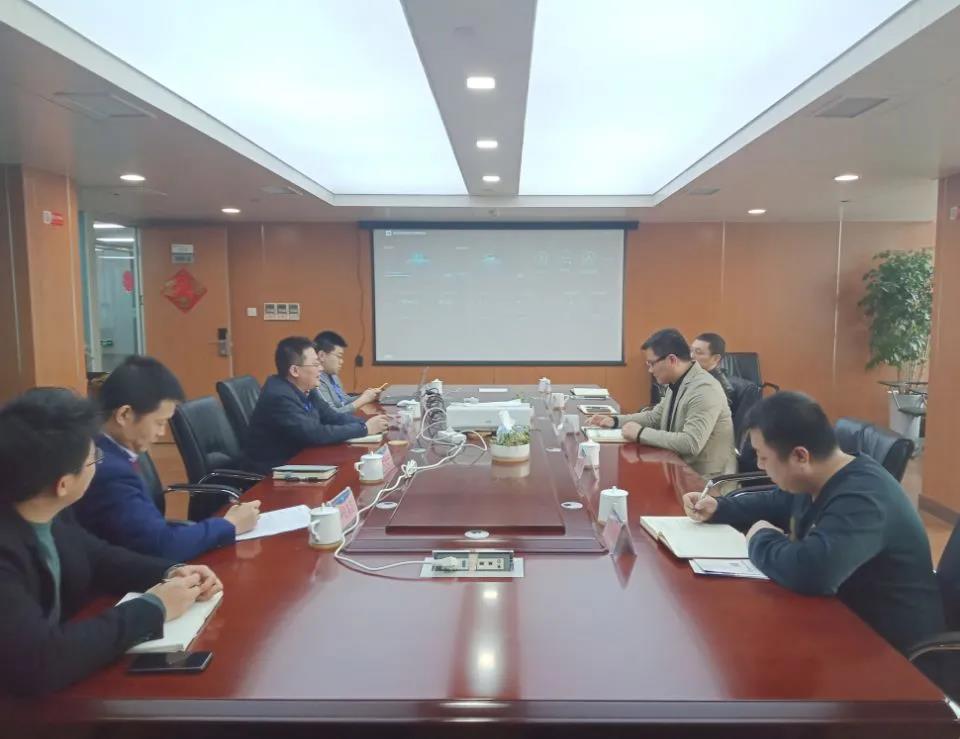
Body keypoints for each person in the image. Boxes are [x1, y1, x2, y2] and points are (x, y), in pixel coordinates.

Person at [682, 391, 944, 655]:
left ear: (800, 456)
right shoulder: (819, 475)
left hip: (892, 652)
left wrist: (760, 537)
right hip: (842, 619)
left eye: (763, 457)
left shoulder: (864, 498)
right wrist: (719, 507)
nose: (760, 466)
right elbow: (776, 501)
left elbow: (811, 573)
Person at [0, 387, 223, 696]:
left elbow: (98, 557)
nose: (99, 463)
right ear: (63, 484)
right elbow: (41, 662)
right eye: (94, 459)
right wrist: (154, 608)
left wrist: (171, 572)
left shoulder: (48, 510)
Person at [73, 356, 261, 561]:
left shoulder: (108, 447)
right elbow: (162, 546)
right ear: (124, 414)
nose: (162, 433)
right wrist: (230, 524)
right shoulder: (107, 470)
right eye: (159, 423)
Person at [586, 328, 735, 479]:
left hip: (705, 481)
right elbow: (654, 417)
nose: (650, 370)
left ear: (672, 360)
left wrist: (640, 433)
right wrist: (615, 421)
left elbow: (691, 443)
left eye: (652, 363)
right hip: (677, 469)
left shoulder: (704, 389)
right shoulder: (678, 381)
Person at [244, 337, 390, 474]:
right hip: (274, 472)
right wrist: (364, 429)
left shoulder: (306, 388)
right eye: (315, 364)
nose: (320, 368)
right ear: (295, 371)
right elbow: (315, 433)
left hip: (302, 459)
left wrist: (368, 424)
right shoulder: (279, 396)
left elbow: (332, 417)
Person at [313, 330, 385, 413]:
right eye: (339, 356)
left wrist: (366, 395)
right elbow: (331, 415)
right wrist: (363, 400)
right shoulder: (315, 380)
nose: (341, 361)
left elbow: (344, 401)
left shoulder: (332, 375)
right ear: (322, 355)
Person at [690, 332, 735, 407]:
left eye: (698, 352)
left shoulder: (718, 388)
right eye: (691, 350)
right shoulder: (694, 375)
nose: (691, 356)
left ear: (716, 358)